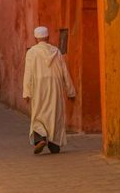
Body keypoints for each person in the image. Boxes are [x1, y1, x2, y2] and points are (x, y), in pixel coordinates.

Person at [23, 26, 76, 154]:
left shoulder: (32, 52)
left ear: (36, 39)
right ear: (48, 37)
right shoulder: (56, 51)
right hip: (55, 86)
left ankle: (41, 138)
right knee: (55, 113)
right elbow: (64, 71)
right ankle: (54, 143)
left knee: (39, 113)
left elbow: (28, 73)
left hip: (39, 86)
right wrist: (70, 91)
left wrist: (27, 92)